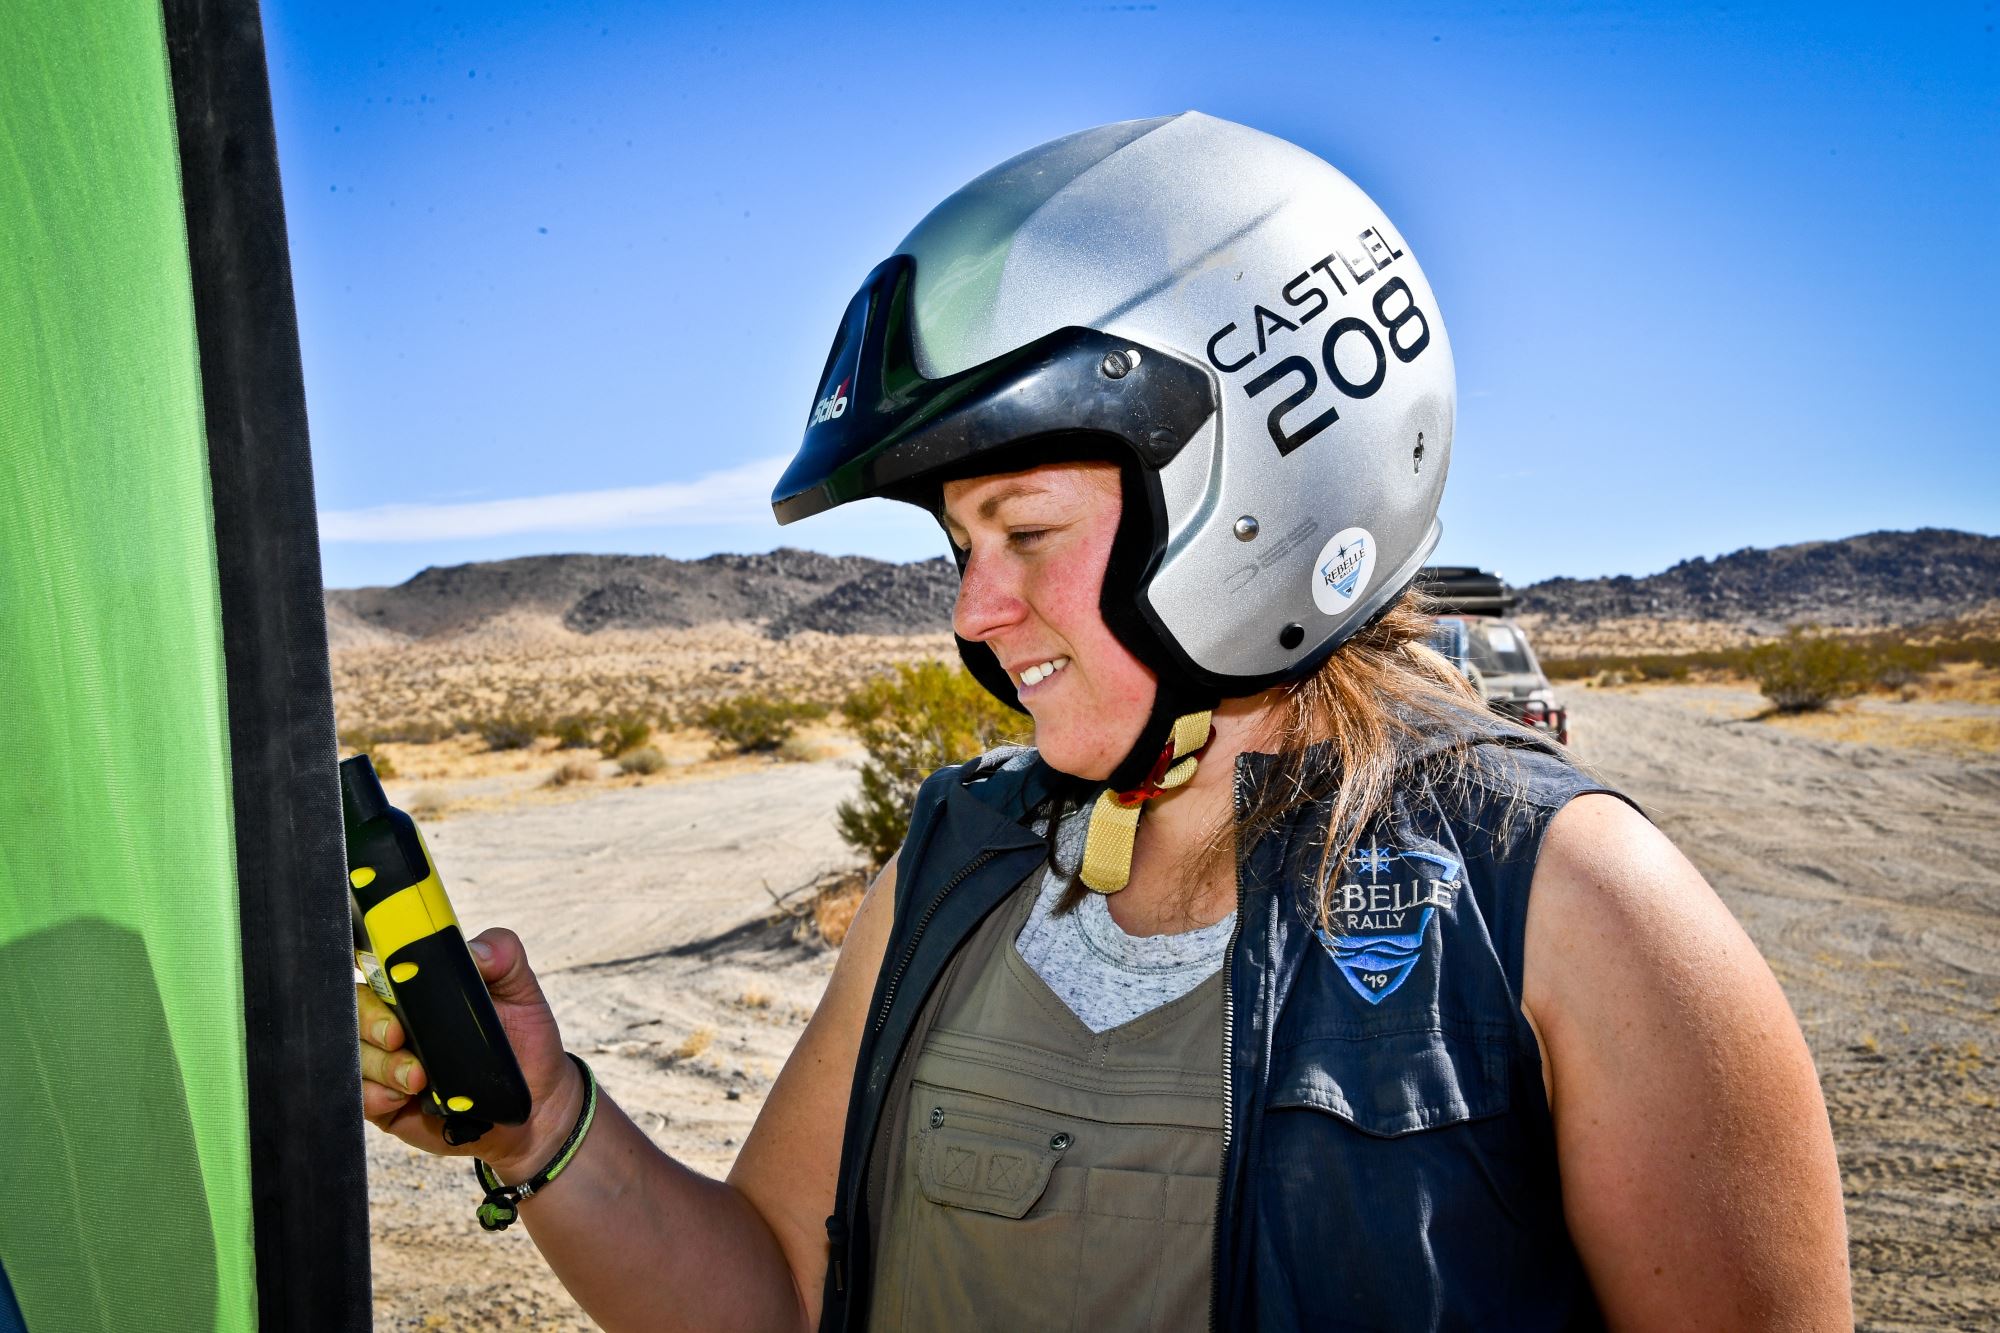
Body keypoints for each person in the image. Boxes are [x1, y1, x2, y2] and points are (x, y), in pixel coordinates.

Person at [357, 113, 1851, 1330]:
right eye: (959, 546)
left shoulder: (1572, 903)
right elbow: (777, 1290)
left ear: (1253, 488)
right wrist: (541, 1123)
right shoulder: (954, 862)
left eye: (1023, 529)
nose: (969, 612)